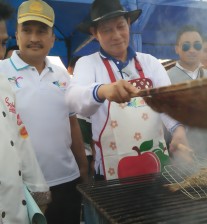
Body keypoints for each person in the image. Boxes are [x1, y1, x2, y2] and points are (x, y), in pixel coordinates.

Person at [66, 0, 189, 182]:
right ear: (94, 33)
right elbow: (73, 100)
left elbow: (167, 103)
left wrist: (178, 129)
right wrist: (103, 91)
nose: (116, 35)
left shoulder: (150, 63)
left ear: (129, 24)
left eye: (120, 26)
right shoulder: (88, 64)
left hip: (155, 163)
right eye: (107, 30)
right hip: (111, 169)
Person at [0, 1, 88, 224]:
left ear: (52, 39)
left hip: (67, 180)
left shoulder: (62, 75)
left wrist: (83, 167)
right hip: (22, 186)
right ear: (16, 35)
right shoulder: (2, 73)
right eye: (26, 30)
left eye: (41, 31)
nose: (34, 38)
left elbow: (72, 123)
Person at [0, 1, 51, 223]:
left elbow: (20, 139)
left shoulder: (3, 85)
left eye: (1, 43)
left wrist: (40, 192)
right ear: (18, 35)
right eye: (26, 30)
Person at [167, 25, 207, 157]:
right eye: (186, 46)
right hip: (177, 153)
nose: (192, 50)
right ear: (177, 49)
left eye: (197, 45)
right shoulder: (165, 78)